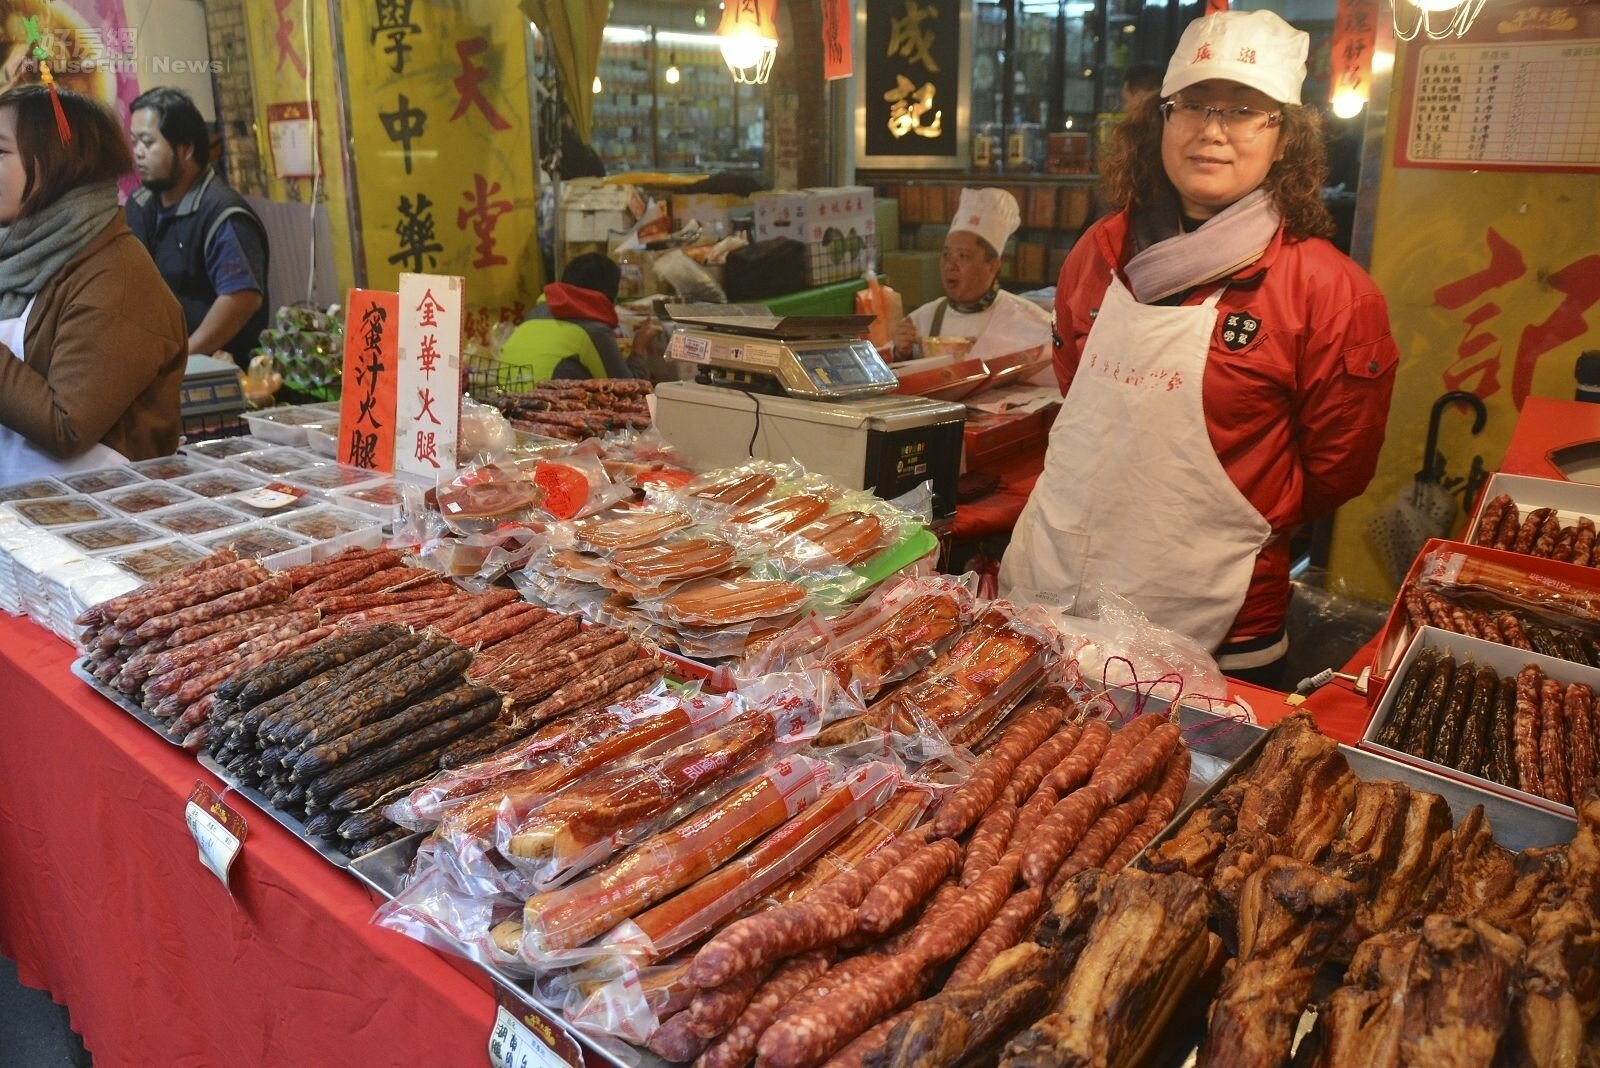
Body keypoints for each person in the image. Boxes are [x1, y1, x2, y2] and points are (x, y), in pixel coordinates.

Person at [1000, 10, 1399, 688]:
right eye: (1194, 106)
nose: (1213, 131)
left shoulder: (1329, 291)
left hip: (1220, 625)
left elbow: (1335, 470)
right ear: (1161, 119)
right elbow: (1077, 388)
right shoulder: (1101, 250)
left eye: (1245, 111)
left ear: (1286, 137)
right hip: (1055, 590)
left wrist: (1220, 523)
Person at [0, 85, 186, 480]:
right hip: (23, 514)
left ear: (57, 163)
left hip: (100, 515)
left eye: (0, 152)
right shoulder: (18, 255)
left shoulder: (116, 276)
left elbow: (67, 425)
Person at [124, 87, 269, 364]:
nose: (138, 153)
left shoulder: (222, 214)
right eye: (134, 142)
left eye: (147, 142)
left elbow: (242, 297)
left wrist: (184, 355)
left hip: (223, 369)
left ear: (186, 148)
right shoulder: (141, 205)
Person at [891, 188, 1051, 361]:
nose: (950, 266)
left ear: (993, 266)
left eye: (963, 256)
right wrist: (900, 352)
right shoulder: (922, 320)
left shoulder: (1028, 320)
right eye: (946, 255)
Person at [498, 252, 644, 384]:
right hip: (545, 407)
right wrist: (638, 349)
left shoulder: (537, 312)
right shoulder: (594, 329)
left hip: (505, 400)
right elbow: (629, 387)